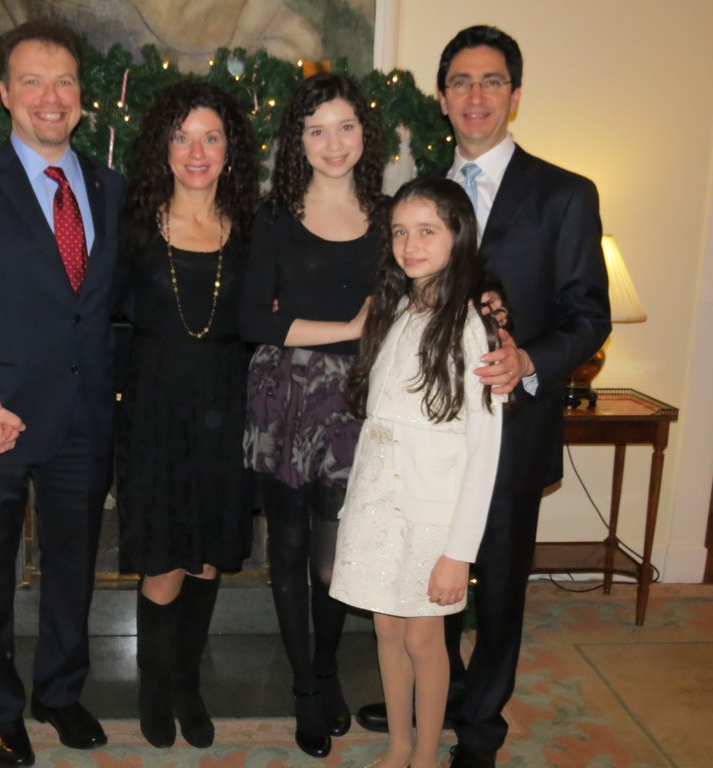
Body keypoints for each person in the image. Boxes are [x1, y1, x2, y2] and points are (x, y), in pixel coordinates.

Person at [355, 26, 611, 768]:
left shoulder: (565, 194)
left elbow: (589, 314)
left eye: (491, 81)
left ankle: (481, 726)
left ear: (515, 96)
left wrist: (530, 357)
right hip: (421, 439)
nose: (475, 95)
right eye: (460, 82)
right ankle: (438, 693)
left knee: (496, 580)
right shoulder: (420, 196)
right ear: (442, 98)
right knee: (419, 566)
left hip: (512, 425)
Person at [0, 18, 125, 768]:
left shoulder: (110, 185)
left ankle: (61, 694)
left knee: (74, 570)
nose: (50, 96)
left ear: (81, 96)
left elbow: (108, 306)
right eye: (32, 81)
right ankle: (0, 711)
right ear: (4, 93)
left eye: (64, 81)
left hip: (82, 416)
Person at [238, 72, 389, 758]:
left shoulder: (390, 216)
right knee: (290, 549)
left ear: (366, 133)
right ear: (298, 139)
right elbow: (251, 320)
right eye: (317, 129)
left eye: (346, 126)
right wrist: (348, 325)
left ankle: (326, 667)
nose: (334, 143)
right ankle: (305, 687)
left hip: (359, 401)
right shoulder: (273, 215)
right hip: (287, 396)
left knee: (333, 563)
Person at [331, 177, 504, 768]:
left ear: (458, 237)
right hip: (378, 503)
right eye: (401, 232)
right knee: (385, 626)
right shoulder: (398, 310)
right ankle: (399, 743)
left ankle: (427, 753)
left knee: (424, 637)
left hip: (432, 513)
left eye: (427, 231)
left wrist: (459, 551)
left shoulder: (471, 327)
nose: (411, 244)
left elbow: (484, 451)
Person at [117, 80, 260, 749]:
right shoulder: (133, 225)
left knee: (206, 560)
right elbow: (103, 322)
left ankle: (186, 684)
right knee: (164, 562)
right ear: (162, 147)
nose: (195, 151)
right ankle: (153, 684)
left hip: (226, 415)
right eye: (181, 136)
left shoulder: (254, 228)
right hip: (154, 415)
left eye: (210, 136)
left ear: (230, 147)